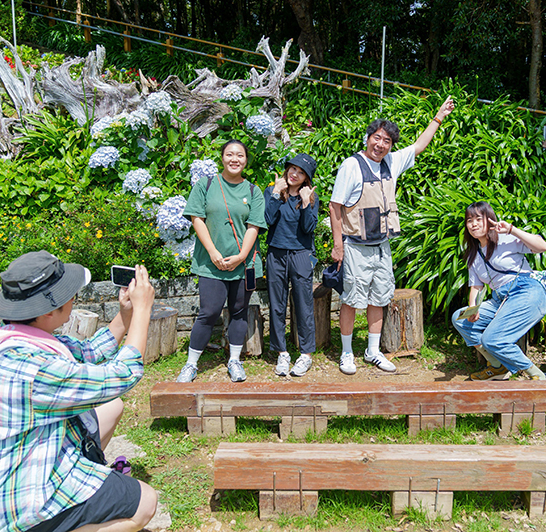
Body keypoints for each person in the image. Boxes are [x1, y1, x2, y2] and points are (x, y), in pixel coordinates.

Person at [0, 251, 157, 532]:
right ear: (48, 311)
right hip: (21, 501)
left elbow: (88, 352)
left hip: (23, 461)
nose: (74, 298)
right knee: (144, 502)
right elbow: (123, 373)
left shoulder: (16, 337)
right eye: (70, 294)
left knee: (112, 407)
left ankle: (79, 493)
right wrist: (144, 310)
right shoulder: (31, 369)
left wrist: (126, 315)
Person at [329, 96, 455, 375]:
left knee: (379, 298)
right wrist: (338, 246)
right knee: (351, 300)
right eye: (377, 138)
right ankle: (346, 353)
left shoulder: (391, 162)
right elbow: (334, 205)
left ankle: (372, 351)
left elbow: (419, 146)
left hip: (382, 246)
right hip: (356, 246)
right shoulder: (351, 165)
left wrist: (439, 117)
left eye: (387, 141)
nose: (380, 144)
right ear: (367, 138)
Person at [177, 139, 265, 383]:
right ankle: (191, 364)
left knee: (239, 312)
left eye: (240, 155)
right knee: (209, 312)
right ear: (222, 157)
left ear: (246, 160)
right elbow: (197, 219)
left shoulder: (253, 191)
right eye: (230, 154)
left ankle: (234, 360)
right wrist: (213, 252)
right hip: (210, 263)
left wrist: (241, 256)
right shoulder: (206, 185)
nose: (234, 159)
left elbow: (254, 226)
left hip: (243, 264)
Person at [450, 202, 546, 380]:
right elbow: (476, 286)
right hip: (500, 299)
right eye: (469, 220)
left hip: (525, 290)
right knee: (460, 319)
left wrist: (512, 229)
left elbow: (542, 246)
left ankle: (537, 375)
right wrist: (472, 308)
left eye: (478, 219)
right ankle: (498, 366)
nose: (473, 224)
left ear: (489, 220)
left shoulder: (505, 239)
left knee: (492, 339)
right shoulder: (473, 255)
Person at [264, 153, 319, 377]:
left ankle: (306, 354)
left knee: (304, 304)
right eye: (293, 169)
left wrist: (305, 203)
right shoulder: (273, 191)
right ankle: (282, 352)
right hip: (276, 253)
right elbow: (267, 220)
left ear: (306, 178)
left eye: (301, 172)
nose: (295, 174)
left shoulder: (311, 197)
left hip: (301, 254)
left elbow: (308, 228)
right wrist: (276, 194)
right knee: (277, 304)